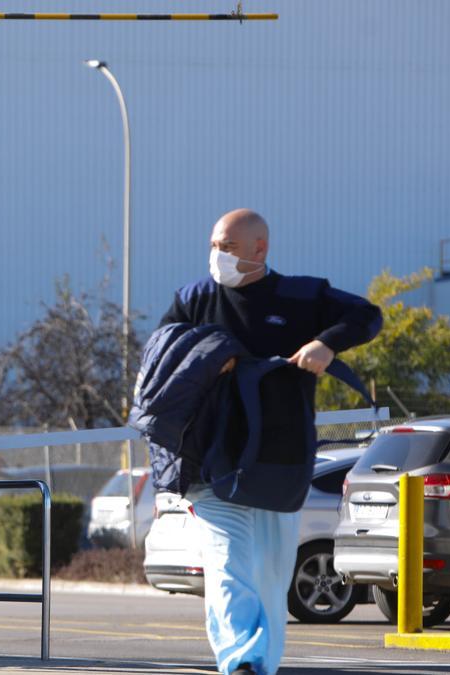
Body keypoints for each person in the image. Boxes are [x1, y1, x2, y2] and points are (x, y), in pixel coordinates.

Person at [160, 209, 382, 675]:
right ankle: (240, 660)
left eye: (228, 247)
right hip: (211, 463)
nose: (216, 256)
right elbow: (163, 350)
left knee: (269, 575)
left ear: (260, 249)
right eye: (213, 245)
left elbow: (367, 315)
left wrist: (327, 344)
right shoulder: (194, 299)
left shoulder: (300, 296)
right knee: (226, 565)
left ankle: (261, 665)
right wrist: (205, 360)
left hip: (279, 462)